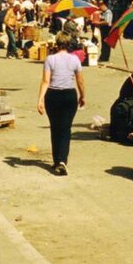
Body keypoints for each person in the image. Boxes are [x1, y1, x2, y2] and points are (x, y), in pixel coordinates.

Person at [36, 33, 86, 175]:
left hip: (53, 95)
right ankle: (62, 160)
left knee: (55, 127)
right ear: (69, 44)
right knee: (65, 128)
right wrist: (82, 96)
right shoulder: (75, 59)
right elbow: (80, 81)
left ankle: (57, 160)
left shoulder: (50, 59)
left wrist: (40, 99)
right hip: (69, 95)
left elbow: (46, 81)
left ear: (56, 44)